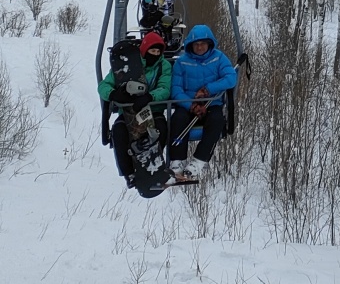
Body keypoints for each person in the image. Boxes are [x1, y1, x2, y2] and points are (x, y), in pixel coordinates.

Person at [99, 31, 173, 186]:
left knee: (160, 129)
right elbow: (103, 86)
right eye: (152, 51)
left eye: (158, 51)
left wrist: (150, 97)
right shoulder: (128, 65)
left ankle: (153, 164)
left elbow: (165, 88)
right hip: (129, 113)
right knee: (119, 132)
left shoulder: (163, 66)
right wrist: (114, 95)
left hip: (153, 111)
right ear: (145, 50)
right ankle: (129, 173)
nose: (155, 54)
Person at [167, 23, 237, 183]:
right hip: (188, 105)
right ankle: (177, 161)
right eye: (196, 44)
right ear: (190, 45)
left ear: (209, 43)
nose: (199, 48)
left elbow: (230, 78)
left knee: (217, 121)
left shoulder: (218, 58)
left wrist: (208, 90)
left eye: (203, 44)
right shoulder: (182, 63)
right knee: (178, 119)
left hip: (211, 104)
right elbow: (176, 89)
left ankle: (198, 162)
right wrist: (191, 105)